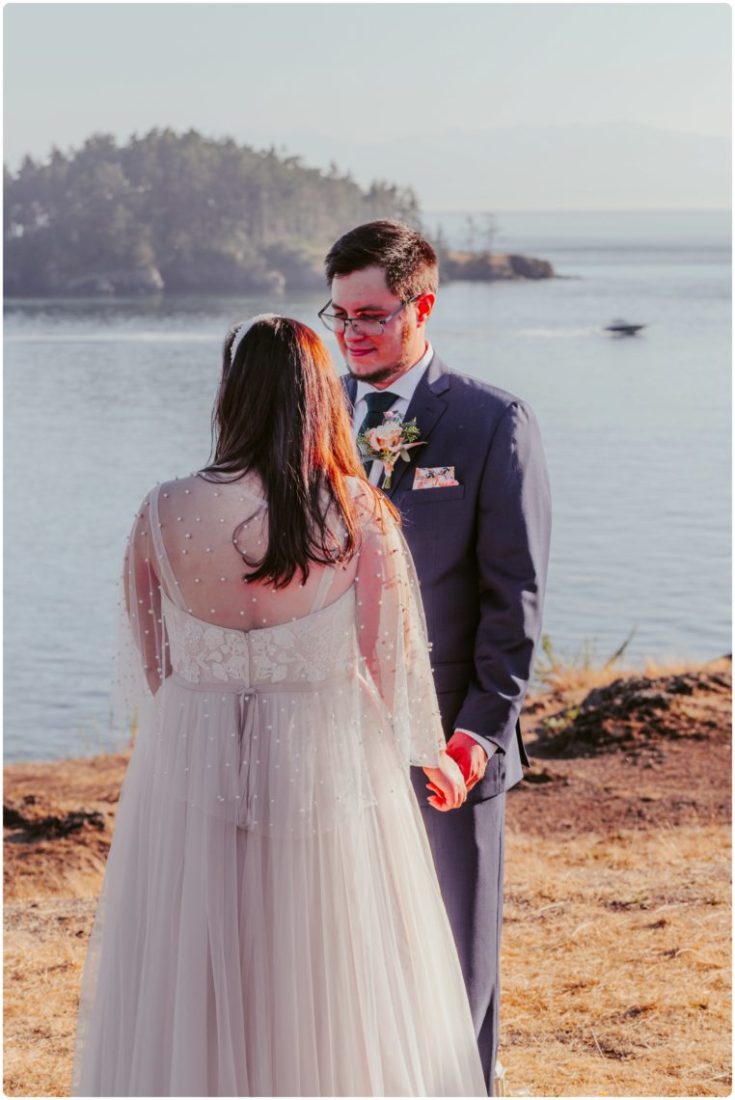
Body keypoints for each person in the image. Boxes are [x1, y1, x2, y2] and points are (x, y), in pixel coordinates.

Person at [71, 314, 486, 1097]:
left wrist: (219, 697)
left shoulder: (161, 511)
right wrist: (429, 755)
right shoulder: (357, 512)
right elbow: (394, 670)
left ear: (231, 399)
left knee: (190, 968)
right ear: (318, 398)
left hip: (191, 759)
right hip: (324, 757)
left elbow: (152, 666)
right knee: (329, 972)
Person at [321, 221, 552, 1095]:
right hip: (330, 737)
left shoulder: (493, 422)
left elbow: (513, 598)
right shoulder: (318, 420)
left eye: (372, 314)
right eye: (340, 315)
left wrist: (478, 737)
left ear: (422, 306)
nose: (352, 333)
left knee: (456, 970)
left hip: (445, 746)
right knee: (346, 957)